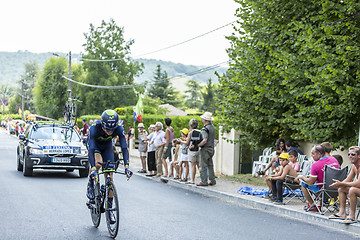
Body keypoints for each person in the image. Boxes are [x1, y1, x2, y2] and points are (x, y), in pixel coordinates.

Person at [86, 109, 132, 223]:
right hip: (94, 146)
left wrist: (126, 167)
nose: (109, 132)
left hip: (107, 147)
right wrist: (92, 169)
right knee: (98, 163)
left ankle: (110, 209)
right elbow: (91, 150)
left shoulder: (119, 128)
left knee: (110, 175)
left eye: (112, 130)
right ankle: (91, 183)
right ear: (102, 124)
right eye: (107, 129)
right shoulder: (94, 128)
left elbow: (124, 148)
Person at [295, 145, 339, 211]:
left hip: (323, 191)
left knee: (303, 183)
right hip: (336, 190)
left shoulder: (315, 165)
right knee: (319, 181)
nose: (311, 155)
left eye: (313, 153)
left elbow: (310, 182)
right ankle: (334, 205)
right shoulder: (334, 159)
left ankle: (312, 204)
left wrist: (301, 177)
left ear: (319, 154)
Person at [329, 146, 360, 224]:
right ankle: (342, 213)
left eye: (353, 154)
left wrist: (341, 183)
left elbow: (358, 183)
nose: (350, 156)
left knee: (353, 190)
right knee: (341, 188)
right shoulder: (354, 167)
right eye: (349, 154)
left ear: (359, 156)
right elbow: (348, 180)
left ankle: (352, 217)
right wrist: (338, 184)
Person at [196, 112, 216, 186]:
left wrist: (197, 145)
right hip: (211, 149)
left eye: (203, 119)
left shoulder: (205, 129)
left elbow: (204, 140)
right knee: (210, 165)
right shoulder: (213, 127)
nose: (202, 120)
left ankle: (204, 181)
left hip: (205, 149)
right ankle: (212, 180)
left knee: (203, 165)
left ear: (205, 120)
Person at [183, 119, 200, 184]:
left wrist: (181, 141)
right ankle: (203, 179)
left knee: (193, 166)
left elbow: (187, 142)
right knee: (199, 165)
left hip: (192, 150)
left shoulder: (190, 133)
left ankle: (192, 180)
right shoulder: (199, 132)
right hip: (198, 149)